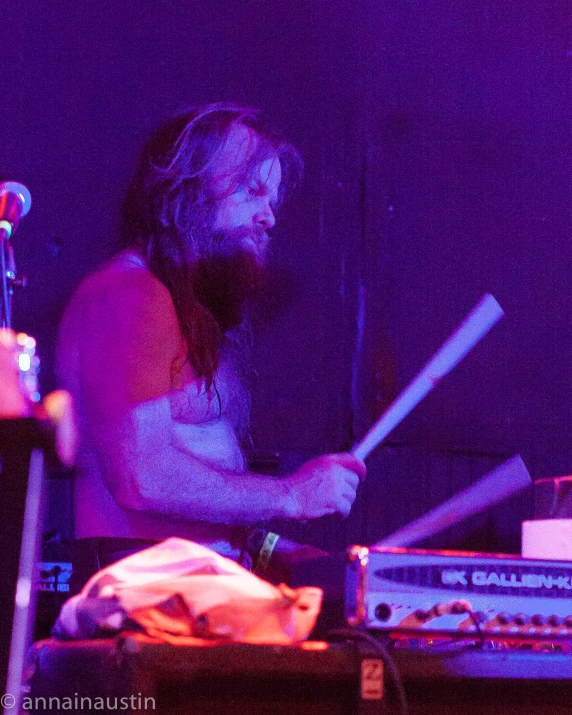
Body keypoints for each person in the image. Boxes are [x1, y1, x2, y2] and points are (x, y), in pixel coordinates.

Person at [57, 104, 366, 588]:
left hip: (197, 592)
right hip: (146, 607)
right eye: (252, 191)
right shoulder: (130, 296)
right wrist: (292, 496)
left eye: (274, 201)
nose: (268, 217)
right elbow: (144, 477)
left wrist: (276, 552)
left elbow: (200, 510)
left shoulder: (186, 308)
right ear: (185, 191)